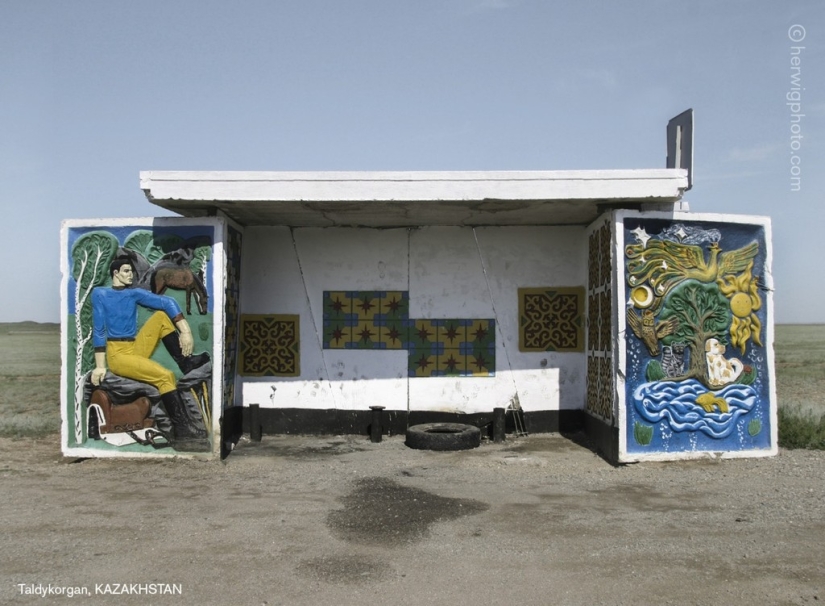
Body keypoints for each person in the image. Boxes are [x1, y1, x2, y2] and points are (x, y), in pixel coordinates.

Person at [91, 255, 210, 448]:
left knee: (161, 317)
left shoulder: (133, 294)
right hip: (118, 354)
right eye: (127, 271)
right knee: (165, 377)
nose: (131, 275)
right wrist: (99, 367)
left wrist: (185, 331)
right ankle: (182, 429)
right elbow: (99, 330)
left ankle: (185, 362)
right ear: (115, 273)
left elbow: (167, 302)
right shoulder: (100, 294)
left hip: (135, 347)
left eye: (132, 271)